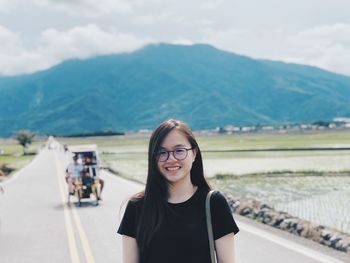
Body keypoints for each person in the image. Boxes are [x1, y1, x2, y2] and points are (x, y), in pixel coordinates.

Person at [117, 119, 239, 263]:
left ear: (194, 153)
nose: (171, 159)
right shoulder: (137, 207)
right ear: (153, 158)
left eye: (179, 151)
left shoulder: (213, 203)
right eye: (162, 153)